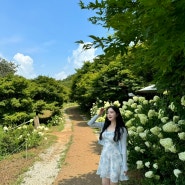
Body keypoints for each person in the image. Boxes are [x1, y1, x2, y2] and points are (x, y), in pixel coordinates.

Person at [87, 105, 129, 185]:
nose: (109, 114)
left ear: (117, 114)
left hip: (115, 159)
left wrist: (125, 165)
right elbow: (90, 123)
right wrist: (99, 114)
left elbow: (124, 148)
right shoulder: (104, 125)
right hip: (105, 158)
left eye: (111, 112)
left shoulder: (122, 129)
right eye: (107, 113)